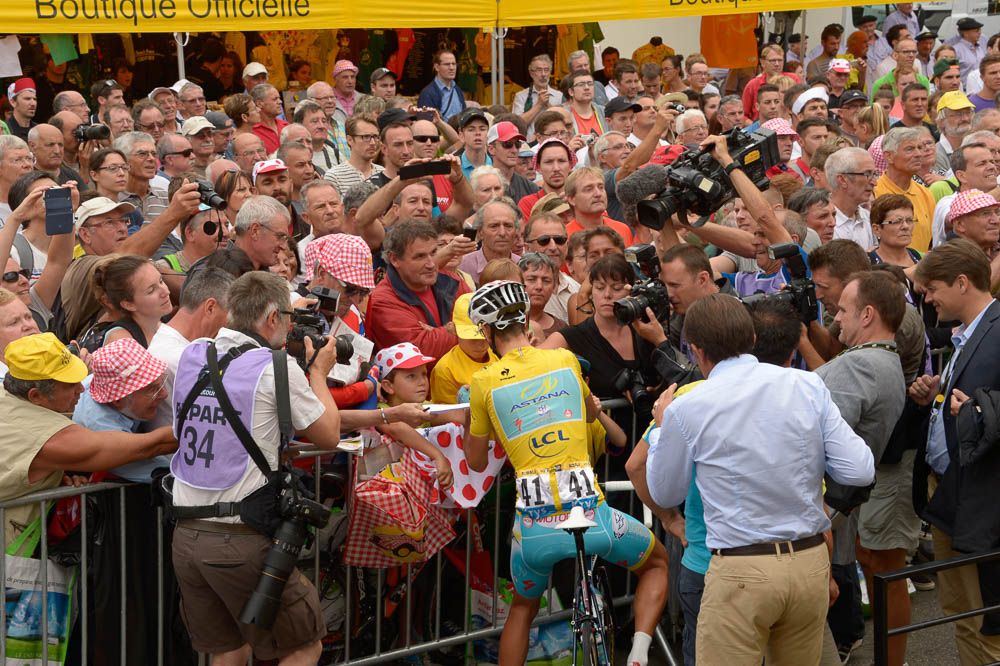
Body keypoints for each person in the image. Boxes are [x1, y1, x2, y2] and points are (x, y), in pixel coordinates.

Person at [645, 293, 874, 663]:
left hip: (741, 568)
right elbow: (859, 468)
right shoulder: (806, 385)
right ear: (751, 339)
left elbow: (665, 491)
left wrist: (659, 430)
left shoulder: (687, 408)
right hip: (807, 560)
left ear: (696, 350)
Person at [463, 279, 668, 666]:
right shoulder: (563, 359)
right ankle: (639, 653)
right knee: (657, 563)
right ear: (525, 320)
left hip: (534, 530)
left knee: (523, 608)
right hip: (594, 516)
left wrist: (474, 419)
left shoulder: (482, 382)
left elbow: (475, 461)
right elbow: (591, 414)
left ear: (487, 332)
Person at [170, 270, 341, 665]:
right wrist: (318, 372)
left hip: (187, 534)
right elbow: (328, 435)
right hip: (240, 537)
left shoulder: (193, 353)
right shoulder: (275, 367)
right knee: (303, 644)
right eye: (288, 316)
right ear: (271, 318)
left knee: (228, 649)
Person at [908, 239, 1000, 665]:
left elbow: (983, 403)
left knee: (987, 620)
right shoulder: (967, 331)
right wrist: (937, 396)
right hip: (946, 494)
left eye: (932, 289)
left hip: (982, 498)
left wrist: (976, 410)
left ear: (962, 283)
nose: (928, 299)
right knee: (961, 613)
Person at [0, 332, 177, 547]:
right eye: (69, 385)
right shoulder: (51, 438)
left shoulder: (7, 396)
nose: (82, 389)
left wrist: (56, 475)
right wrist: (202, 426)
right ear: (36, 396)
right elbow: (149, 447)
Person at [818, 271, 909, 666]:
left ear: (867, 314)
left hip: (820, 506)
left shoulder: (860, 366)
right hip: (838, 505)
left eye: (842, 310)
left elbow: (812, 437)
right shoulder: (882, 360)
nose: (836, 318)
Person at [71, 338, 172, 482]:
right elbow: (163, 472)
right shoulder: (99, 425)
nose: (164, 394)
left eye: (161, 383)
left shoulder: (105, 379)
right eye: (152, 390)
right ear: (117, 400)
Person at [367, 220, 470, 359]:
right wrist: (460, 330)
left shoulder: (453, 282)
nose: (431, 264)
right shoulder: (382, 301)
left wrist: (438, 333)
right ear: (395, 259)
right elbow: (422, 350)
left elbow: (485, 327)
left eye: (433, 252)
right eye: (420, 256)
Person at [875, 127, 936, 251]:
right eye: (910, 149)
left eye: (919, 148)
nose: (919, 154)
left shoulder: (925, 194)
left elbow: (931, 242)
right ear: (889, 156)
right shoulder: (874, 192)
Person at [519, 252, 565, 339]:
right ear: (518, 282)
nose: (539, 286)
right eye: (531, 279)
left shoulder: (562, 330)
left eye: (546, 281)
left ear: (554, 286)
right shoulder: (504, 325)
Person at [417, 50, 466, 121]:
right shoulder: (427, 93)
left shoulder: (457, 89)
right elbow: (425, 123)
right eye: (447, 64)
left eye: (454, 64)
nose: (452, 68)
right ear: (437, 67)